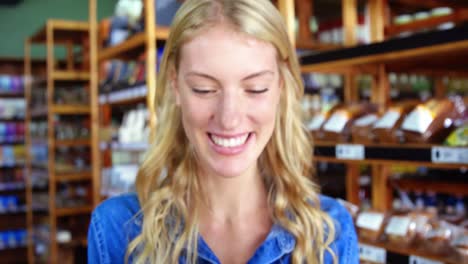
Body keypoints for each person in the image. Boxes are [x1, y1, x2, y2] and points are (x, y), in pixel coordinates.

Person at [87, 0, 359, 263]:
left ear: (281, 86)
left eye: (255, 89)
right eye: (204, 89)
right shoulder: (118, 231)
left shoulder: (330, 235)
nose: (229, 119)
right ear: (174, 85)